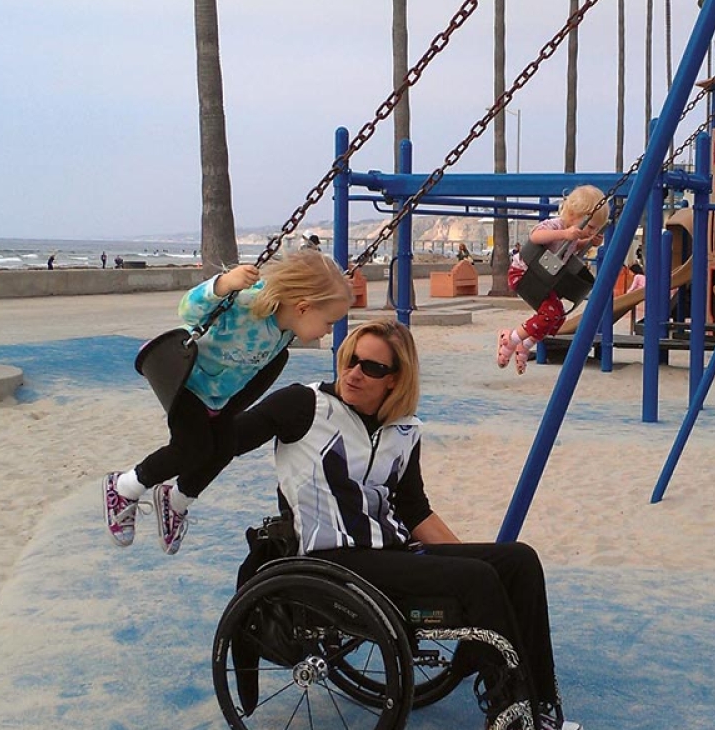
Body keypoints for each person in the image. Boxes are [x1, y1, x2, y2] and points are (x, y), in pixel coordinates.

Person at [232, 320, 582, 730]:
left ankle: (539, 699)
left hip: (389, 553)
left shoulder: (403, 430)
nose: (354, 373)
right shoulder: (304, 406)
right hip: (332, 559)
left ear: (394, 380)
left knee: (519, 561)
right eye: (350, 360)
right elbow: (231, 440)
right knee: (478, 578)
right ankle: (508, 711)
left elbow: (414, 511)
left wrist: (460, 559)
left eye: (371, 367)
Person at [101, 249, 353, 555]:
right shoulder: (247, 304)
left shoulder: (285, 333)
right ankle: (123, 487)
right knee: (192, 448)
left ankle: (175, 501)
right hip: (188, 383)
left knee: (224, 448)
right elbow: (188, 310)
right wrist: (223, 285)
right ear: (303, 307)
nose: (330, 329)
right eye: (329, 322)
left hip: (220, 398)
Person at [496, 185, 610, 375]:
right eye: (590, 227)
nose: (592, 232)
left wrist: (589, 241)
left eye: (596, 229)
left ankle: (526, 344)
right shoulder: (556, 225)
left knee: (558, 317)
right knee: (550, 313)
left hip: (543, 278)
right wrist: (565, 234)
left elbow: (572, 247)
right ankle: (510, 339)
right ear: (573, 214)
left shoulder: (573, 235)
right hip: (524, 273)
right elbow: (536, 236)